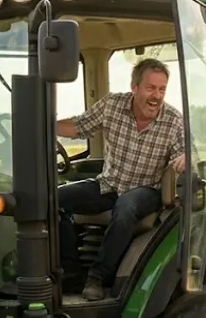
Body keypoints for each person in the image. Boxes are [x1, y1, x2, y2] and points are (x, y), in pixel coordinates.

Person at [56, 58, 192, 301]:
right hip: (109, 183)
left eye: (162, 89)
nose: (157, 96)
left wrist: (184, 157)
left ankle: (98, 277)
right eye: (151, 88)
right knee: (53, 198)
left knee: (127, 205)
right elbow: (79, 126)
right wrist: (43, 124)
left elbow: (184, 152)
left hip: (146, 190)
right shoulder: (112, 105)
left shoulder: (173, 120)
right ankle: (71, 271)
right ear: (134, 87)